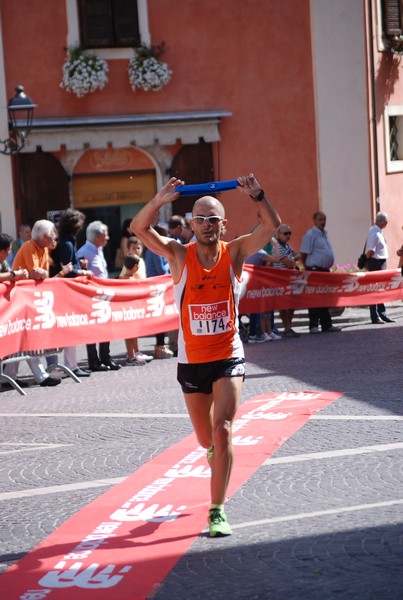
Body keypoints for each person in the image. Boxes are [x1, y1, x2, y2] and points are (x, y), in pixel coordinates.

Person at [132, 173, 281, 537]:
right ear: (192, 223)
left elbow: (271, 226)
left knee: (224, 429)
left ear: (223, 224)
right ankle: (214, 452)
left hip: (228, 353)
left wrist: (258, 195)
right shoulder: (179, 254)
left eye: (214, 219)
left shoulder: (236, 252)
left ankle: (217, 510)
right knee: (204, 439)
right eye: (200, 218)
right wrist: (159, 200)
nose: (207, 225)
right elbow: (139, 228)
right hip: (191, 360)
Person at [5, 220, 62, 387]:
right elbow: (37, 274)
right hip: (21, 298)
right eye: (52, 235)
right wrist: (42, 273)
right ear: (44, 237)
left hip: (31, 298)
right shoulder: (29, 247)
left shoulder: (43, 248)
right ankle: (40, 376)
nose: (55, 237)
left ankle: (9, 375)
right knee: (27, 336)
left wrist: (42, 273)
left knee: (22, 337)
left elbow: (44, 273)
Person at [46, 209, 93, 377]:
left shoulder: (66, 241)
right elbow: (67, 269)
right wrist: (83, 272)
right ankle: (69, 366)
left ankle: (70, 365)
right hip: (63, 290)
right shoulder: (66, 243)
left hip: (63, 289)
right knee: (68, 327)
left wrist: (81, 267)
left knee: (68, 327)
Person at [77, 221, 121, 372]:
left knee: (106, 327)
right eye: (105, 234)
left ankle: (106, 358)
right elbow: (77, 273)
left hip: (103, 295)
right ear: (97, 237)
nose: (108, 237)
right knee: (93, 330)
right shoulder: (84, 252)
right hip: (91, 297)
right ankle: (93, 361)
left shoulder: (99, 249)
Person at [300, 211, 341, 334]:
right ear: (314, 221)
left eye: (324, 220)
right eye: (320, 220)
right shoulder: (310, 234)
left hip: (324, 271)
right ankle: (313, 325)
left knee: (325, 298)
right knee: (314, 298)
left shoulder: (324, 234)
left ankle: (326, 325)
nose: (323, 222)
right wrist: (307, 267)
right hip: (314, 270)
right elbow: (304, 253)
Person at [144, 224, 174, 359]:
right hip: (157, 286)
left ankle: (160, 346)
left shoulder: (152, 249)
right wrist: (171, 260)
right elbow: (161, 269)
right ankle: (160, 346)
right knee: (159, 316)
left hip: (158, 286)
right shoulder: (155, 250)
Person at [119, 253, 153, 365]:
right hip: (131, 310)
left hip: (126, 310)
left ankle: (133, 355)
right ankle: (131, 356)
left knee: (130, 334)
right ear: (135, 267)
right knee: (131, 333)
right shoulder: (132, 280)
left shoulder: (121, 279)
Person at [245, 243, 281, 343]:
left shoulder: (247, 251)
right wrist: (276, 246)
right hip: (256, 284)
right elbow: (276, 259)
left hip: (247, 283)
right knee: (258, 310)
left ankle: (261, 333)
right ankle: (256, 334)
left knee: (258, 310)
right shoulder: (259, 253)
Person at [272, 224, 301, 338]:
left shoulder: (287, 246)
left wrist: (291, 259)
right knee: (284, 306)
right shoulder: (277, 246)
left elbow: (298, 255)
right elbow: (289, 263)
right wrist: (292, 260)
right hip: (280, 280)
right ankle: (287, 328)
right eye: (285, 233)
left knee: (291, 305)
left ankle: (288, 327)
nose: (288, 236)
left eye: (289, 233)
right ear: (278, 234)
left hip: (290, 280)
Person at [365, 212, 394, 324]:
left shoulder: (377, 231)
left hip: (379, 263)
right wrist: (367, 261)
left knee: (380, 289)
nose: (386, 224)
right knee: (374, 290)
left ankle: (382, 314)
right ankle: (375, 316)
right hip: (376, 263)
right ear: (383, 222)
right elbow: (371, 250)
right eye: (386, 222)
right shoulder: (374, 232)